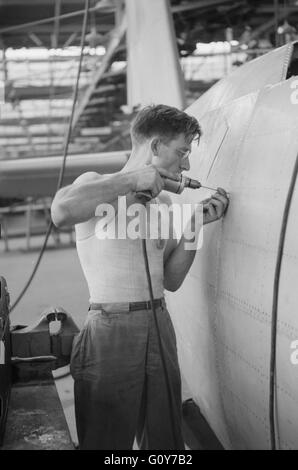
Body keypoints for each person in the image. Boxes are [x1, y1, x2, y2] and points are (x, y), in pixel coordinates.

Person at [51, 104, 229, 450]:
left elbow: (171, 280)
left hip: (159, 323)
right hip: (110, 328)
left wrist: (193, 226)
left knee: (165, 441)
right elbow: (61, 212)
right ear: (155, 146)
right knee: (106, 442)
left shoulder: (161, 203)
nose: (187, 165)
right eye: (182, 152)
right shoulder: (97, 186)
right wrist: (130, 180)